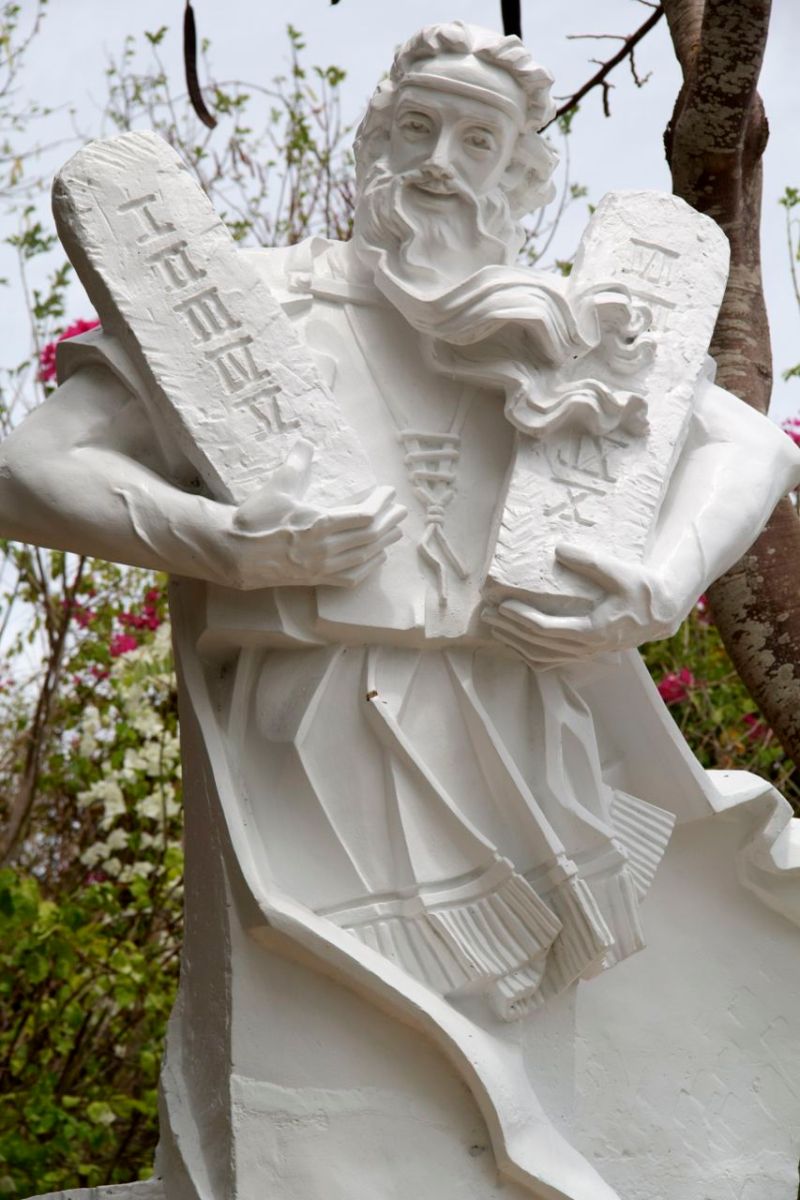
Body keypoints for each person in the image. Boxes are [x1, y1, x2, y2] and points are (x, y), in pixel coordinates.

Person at [5, 22, 800, 1200]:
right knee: (326, 1041)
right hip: (312, 726)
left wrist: (662, 579)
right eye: (415, 128)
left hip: (521, 727)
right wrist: (219, 538)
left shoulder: (566, 327)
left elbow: (745, 446)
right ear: (372, 144)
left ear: (520, 174)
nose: (438, 162)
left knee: (528, 1045)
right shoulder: (252, 309)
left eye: (478, 140)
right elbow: (33, 468)